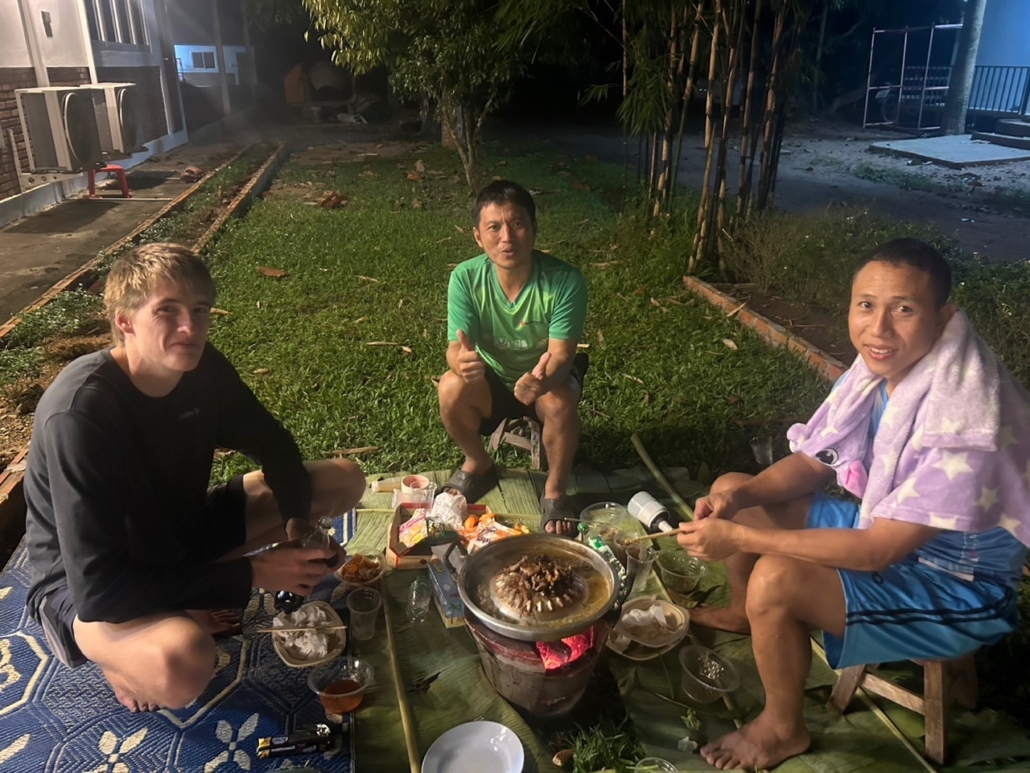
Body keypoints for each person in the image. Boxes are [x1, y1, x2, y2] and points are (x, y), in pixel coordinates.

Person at [676, 238, 1030, 770]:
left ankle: (782, 729)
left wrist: (741, 539)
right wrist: (738, 498)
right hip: (890, 532)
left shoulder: (966, 418)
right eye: (866, 305)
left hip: (957, 583)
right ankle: (741, 613)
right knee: (735, 492)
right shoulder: (882, 372)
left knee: (776, 577)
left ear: (942, 316)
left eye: (903, 309)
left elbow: (877, 552)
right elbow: (813, 462)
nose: (878, 328)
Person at [23, 243, 365, 713]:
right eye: (167, 310)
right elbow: (100, 588)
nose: (190, 327)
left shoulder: (203, 369)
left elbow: (273, 444)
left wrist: (296, 525)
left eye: (199, 310)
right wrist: (254, 572)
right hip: (88, 585)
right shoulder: (81, 414)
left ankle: (179, 601)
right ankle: (115, 654)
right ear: (125, 321)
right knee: (182, 662)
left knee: (342, 480)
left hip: (179, 529)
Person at [438, 180, 588, 534]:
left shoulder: (565, 280)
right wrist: (461, 362)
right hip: (491, 378)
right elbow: (455, 347)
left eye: (517, 224)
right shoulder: (465, 278)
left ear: (534, 228)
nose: (506, 238)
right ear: (478, 237)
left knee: (561, 399)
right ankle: (478, 462)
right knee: (449, 387)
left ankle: (555, 490)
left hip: (542, 376)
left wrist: (542, 380)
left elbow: (562, 356)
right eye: (494, 227)